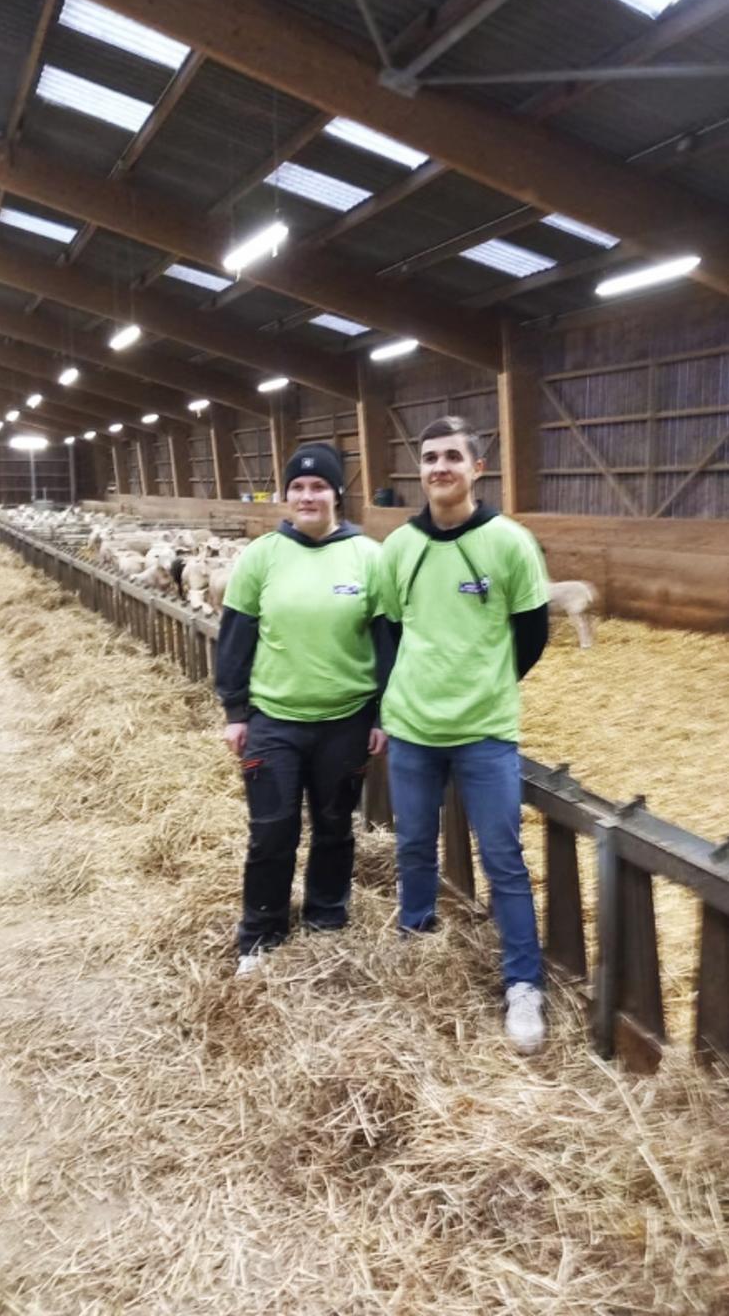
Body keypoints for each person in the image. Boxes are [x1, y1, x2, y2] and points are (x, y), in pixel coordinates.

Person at [379, 416, 549, 1053]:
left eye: (452, 456)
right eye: (429, 457)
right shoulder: (401, 547)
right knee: (414, 846)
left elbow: (532, 631)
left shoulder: (508, 543)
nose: (439, 467)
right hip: (414, 729)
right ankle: (416, 947)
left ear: (478, 469)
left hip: (484, 730)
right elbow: (391, 629)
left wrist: (488, 681)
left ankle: (524, 986)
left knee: (502, 858)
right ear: (418, 470)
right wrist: (412, 688)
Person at [215, 442, 390, 976]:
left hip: (346, 719)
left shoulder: (369, 556)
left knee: (335, 825)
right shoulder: (262, 555)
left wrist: (383, 714)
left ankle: (326, 920)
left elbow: (387, 641)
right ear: (286, 496)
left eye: (318, 487)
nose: (307, 495)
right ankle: (260, 933)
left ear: (337, 492)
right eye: (297, 488)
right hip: (274, 720)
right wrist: (235, 711)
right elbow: (235, 638)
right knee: (272, 829)